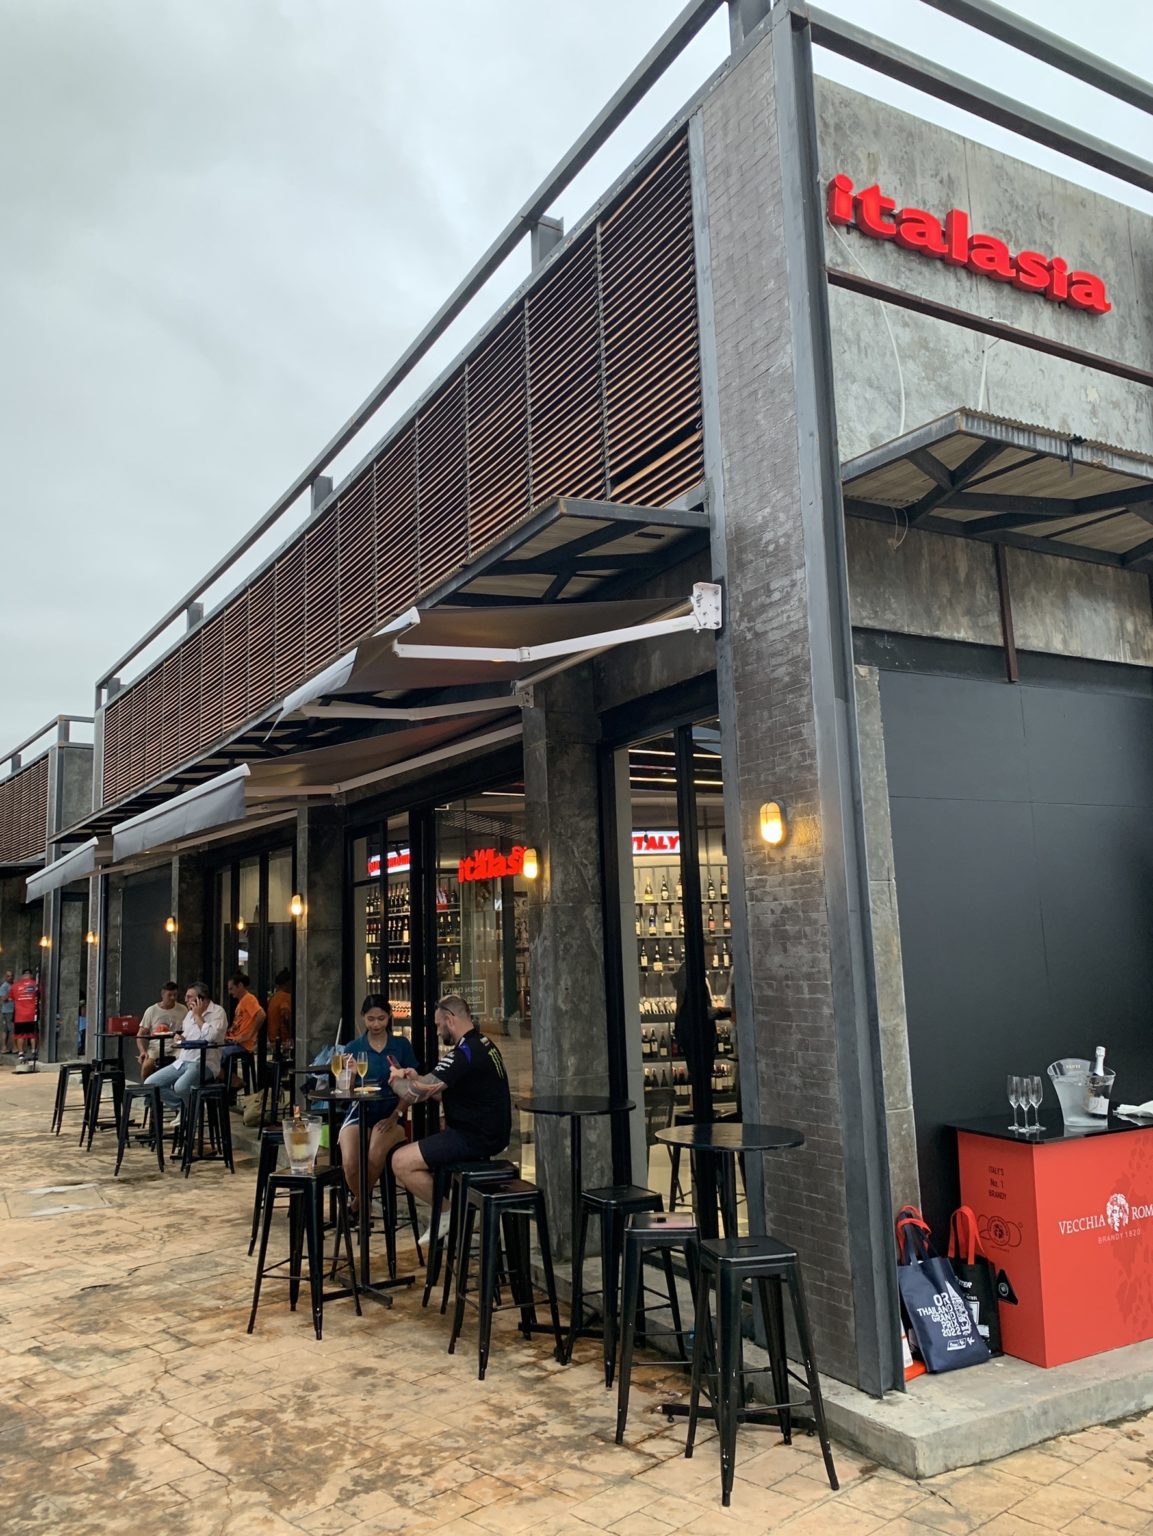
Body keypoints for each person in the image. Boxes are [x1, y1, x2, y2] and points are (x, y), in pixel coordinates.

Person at [389, 995, 512, 1241]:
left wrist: (396, 1080)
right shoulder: (483, 1043)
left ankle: (446, 1211)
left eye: (437, 1025)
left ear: (449, 1019)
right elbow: (443, 1091)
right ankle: (448, 1211)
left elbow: (413, 1095)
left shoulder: (464, 1053)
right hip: (488, 1134)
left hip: (474, 1138)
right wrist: (418, 1078)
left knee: (400, 1161)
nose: (436, 1031)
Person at [337, 995, 418, 1213]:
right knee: (350, 1163)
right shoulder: (354, 1047)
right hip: (358, 1112)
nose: (376, 1024)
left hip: (392, 1112)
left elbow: (411, 1087)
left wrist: (395, 1115)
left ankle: (358, 1205)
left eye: (381, 1018)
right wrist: (351, 1075)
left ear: (389, 1017)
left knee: (375, 1153)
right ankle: (364, 1201)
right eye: (371, 1019)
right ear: (363, 1018)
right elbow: (344, 1092)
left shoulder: (401, 1046)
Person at [146, 983, 227, 1107]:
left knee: (181, 1087)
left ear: (201, 998)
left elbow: (212, 1037)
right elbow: (187, 1036)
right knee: (150, 1084)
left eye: (189, 997)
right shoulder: (189, 1015)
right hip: (183, 1061)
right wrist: (181, 1038)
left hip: (204, 1063)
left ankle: (190, 1113)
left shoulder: (217, 1012)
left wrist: (198, 1016)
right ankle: (185, 1109)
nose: (185, 1000)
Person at [219, 971, 266, 1086]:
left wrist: (249, 1034)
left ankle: (232, 1080)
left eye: (232, 988)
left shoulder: (248, 999)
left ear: (240, 986)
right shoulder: (242, 1001)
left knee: (217, 1055)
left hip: (242, 1044)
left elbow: (261, 1015)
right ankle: (228, 1079)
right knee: (211, 1053)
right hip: (234, 1040)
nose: (230, 992)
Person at [136, 981, 185, 1080]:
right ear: (162, 995)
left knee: (185, 1063)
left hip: (176, 1047)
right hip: (156, 1047)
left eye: (175, 995)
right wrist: (142, 1051)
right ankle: (147, 1091)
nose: (172, 998)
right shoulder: (151, 1010)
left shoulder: (183, 1009)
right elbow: (140, 1035)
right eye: (169, 995)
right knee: (146, 1066)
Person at [11, 968, 40, 1065]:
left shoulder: (15, 986)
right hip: (31, 1014)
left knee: (20, 1035)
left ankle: (21, 1053)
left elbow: (11, 998)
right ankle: (33, 1051)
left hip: (19, 1015)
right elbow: (39, 996)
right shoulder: (35, 984)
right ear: (30, 975)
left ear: (22, 976)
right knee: (33, 1034)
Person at [265, 970, 292, 1052]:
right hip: (283, 1042)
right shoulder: (286, 997)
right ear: (288, 983)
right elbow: (286, 1014)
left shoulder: (273, 998)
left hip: (273, 1040)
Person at [0, 970, 13, 1054]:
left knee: (10, 1030)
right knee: (7, 1030)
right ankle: (4, 1047)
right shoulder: (4, 987)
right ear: (5, 977)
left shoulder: (12, 985)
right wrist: (10, 992)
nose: (10, 977)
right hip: (7, 1011)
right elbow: (2, 999)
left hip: (13, 1010)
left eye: (11, 976)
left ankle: (7, 1047)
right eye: (8, 976)